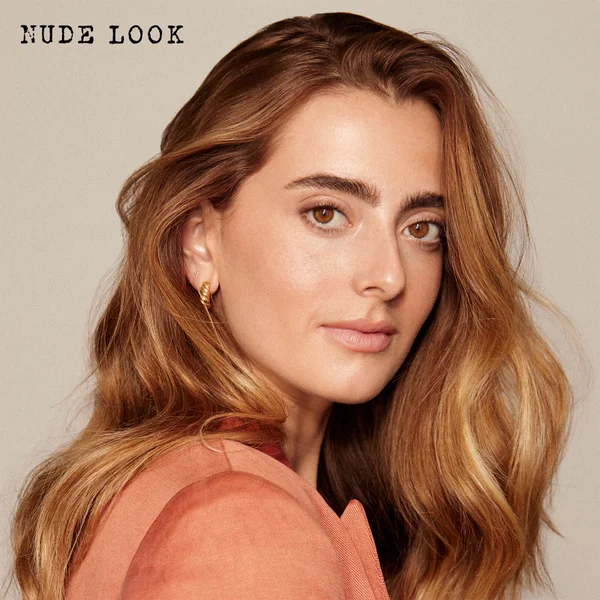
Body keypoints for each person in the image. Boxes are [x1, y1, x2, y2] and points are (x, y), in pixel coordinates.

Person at [8, 11, 572, 600]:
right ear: (200, 242)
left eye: (422, 227)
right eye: (326, 214)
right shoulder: (241, 525)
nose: (388, 276)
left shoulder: (186, 486)